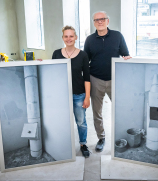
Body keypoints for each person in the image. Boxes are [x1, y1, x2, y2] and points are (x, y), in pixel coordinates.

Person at [84, 11, 132, 152]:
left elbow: (126, 55)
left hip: (114, 80)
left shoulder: (117, 36)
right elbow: (85, 61)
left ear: (108, 21)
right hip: (96, 79)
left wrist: (128, 61)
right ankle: (101, 138)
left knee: (120, 109)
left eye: (102, 19)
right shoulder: (90, 40)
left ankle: (121, 137)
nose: (100, 21)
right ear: (94, 22)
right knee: (97, 112)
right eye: (97, 20)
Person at [52, 25, 91, 158]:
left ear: (76, 38)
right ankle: (64, 144)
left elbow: (87, 78)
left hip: (78, 95)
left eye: (71, 36)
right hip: (62, 95)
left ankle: (83, 144)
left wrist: (87, 97)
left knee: (81, 122)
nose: (69, 39)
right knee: (63, 121)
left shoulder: (83, 55)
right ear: (63, 38)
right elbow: (53, 74)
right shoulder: (56, 54)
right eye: (66, 36)